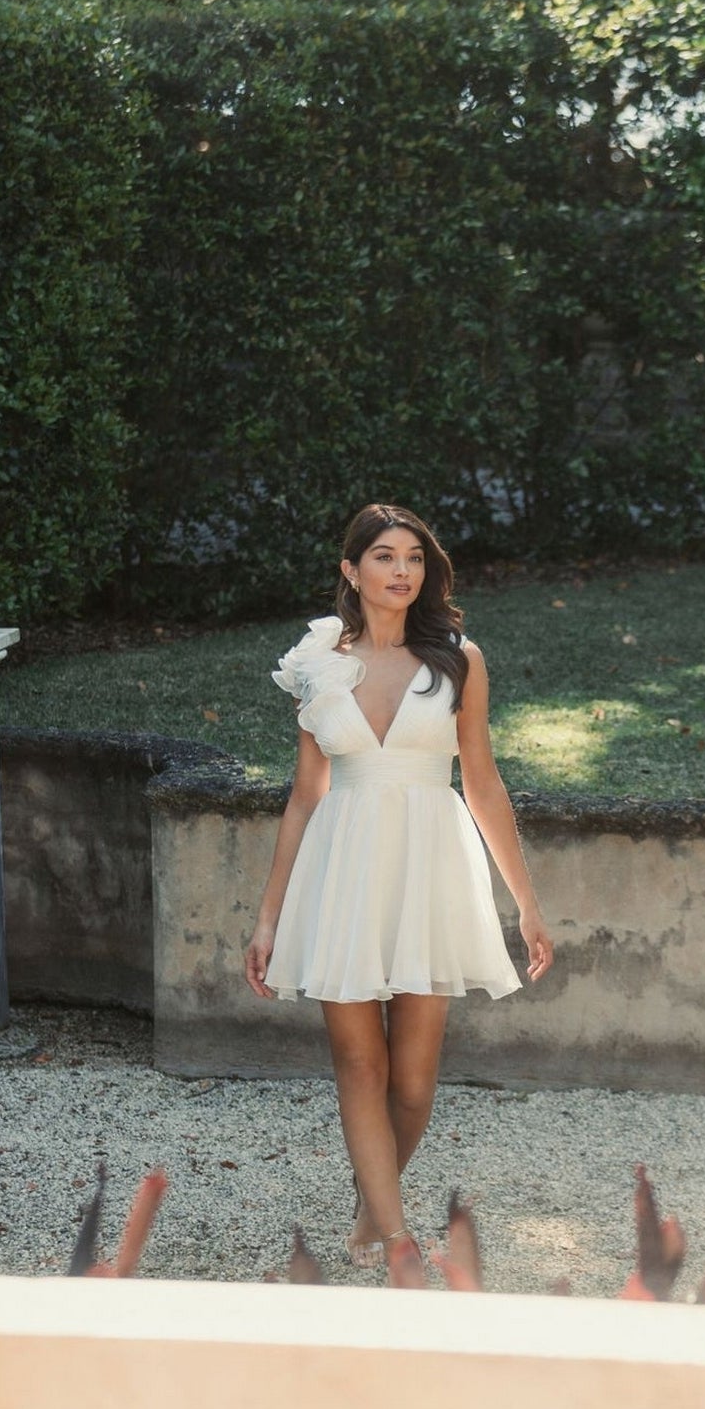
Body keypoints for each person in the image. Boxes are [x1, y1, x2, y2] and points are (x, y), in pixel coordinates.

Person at [244, 503, 554, 1275]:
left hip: (429, 869)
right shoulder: (317, 664)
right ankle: (396, 1238)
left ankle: (369, 1206)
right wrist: (268, 917)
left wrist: (526, 903)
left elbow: (481, 783)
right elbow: (305, 795)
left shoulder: (458, 659)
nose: (402, 571)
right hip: (342, 868)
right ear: (352, 571)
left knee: (413, 1082)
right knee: (360, 1066)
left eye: (414, 557)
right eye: (384, 556)